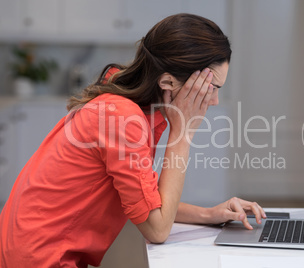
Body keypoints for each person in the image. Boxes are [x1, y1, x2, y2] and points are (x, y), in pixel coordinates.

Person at [0, 13, 266, 267]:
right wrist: (182, 133)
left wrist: (211, 214)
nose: (215, 100)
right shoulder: (121, 118)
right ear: (168, 82)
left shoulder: (130, 110)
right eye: (211, 88)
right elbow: (157, 229)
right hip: (38, 259)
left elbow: (144, 201)